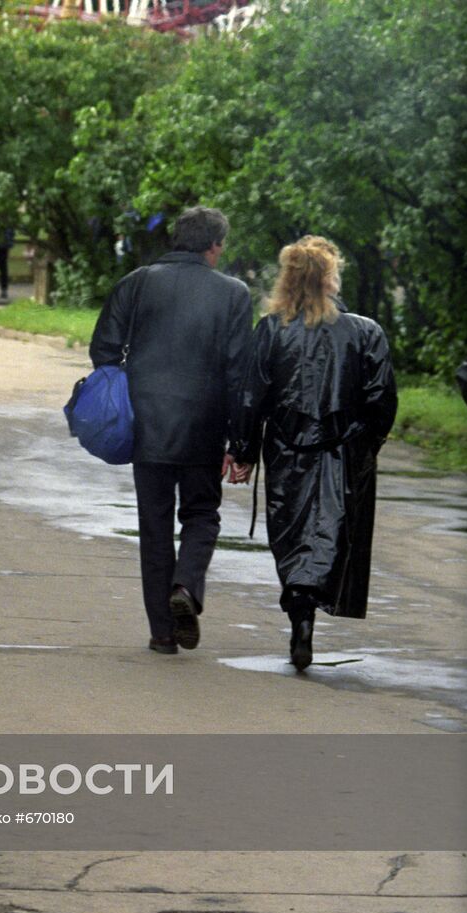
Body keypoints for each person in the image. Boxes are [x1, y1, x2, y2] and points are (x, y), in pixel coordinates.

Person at [89, 206, 254, 655]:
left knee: (155, 526)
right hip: (204, 426)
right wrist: (241, 443)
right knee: (202, 514)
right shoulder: (234, 294)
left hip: (147, 426)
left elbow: (103, 348)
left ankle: (162, 633)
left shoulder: (137, 282)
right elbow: (241, 374)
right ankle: (185, 585)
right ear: (214, 245)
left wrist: (130, 385)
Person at [228, 236, 397, 671]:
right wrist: (364, 445)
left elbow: (251, 394)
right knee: (330, 534)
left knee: (291, 536)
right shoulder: (365, 332)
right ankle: (305, 616)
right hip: (341, 452)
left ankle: (300, 614)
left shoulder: (270, 330)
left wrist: (243, 449)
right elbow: (381, 401)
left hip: (287, 450)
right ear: (329, 278)